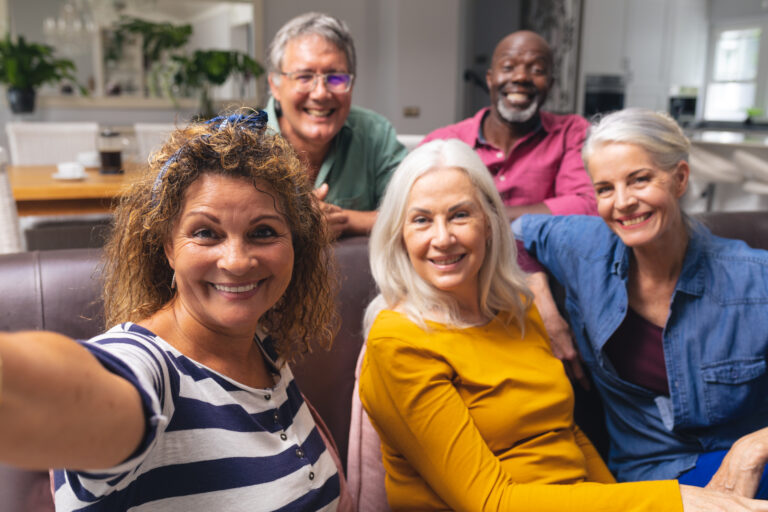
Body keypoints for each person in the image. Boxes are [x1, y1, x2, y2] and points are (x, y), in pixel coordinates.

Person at [357, 138, 768, 511]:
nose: (443, 237)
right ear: (399, 235)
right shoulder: (399, 340)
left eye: (460, 215)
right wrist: (673, 502)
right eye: (422, 220)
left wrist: (626, 501)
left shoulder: (517, 309)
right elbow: (490, 501)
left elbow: (567, 436)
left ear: (489, 222)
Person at [0, 111, 352, 511]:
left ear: (295, 245)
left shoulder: (260, 341)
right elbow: (67, 395)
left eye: (263, 232)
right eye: (206, 233)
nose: (236, 261)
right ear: (167, 245)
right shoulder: (152, 371)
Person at [515, 108, 768, 497]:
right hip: (651, 476)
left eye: (640, 180)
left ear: (680, 178)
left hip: (750, 466)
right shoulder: (583, 246)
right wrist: (546, 310)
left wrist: (754, 447)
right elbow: (514, 232)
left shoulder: (754, 278)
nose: (622, 203)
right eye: (604, 189)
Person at [420, 30, 596, 221]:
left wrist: (486, 218)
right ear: (490, 79)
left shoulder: (571, 132)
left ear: (550, 85)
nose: (521, 77)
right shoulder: (443, 142)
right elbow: (416, 207)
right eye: (508, 67)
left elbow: (586, 205)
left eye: (537, 70)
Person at [266, 12, 407, 237]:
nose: (321, 93)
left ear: (352, 84)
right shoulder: (245, 139)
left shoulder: (375, 133)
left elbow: (415, 212)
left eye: (336, 78)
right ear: (275, 84)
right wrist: (295, 222)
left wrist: (344, 220)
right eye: (304, 77)